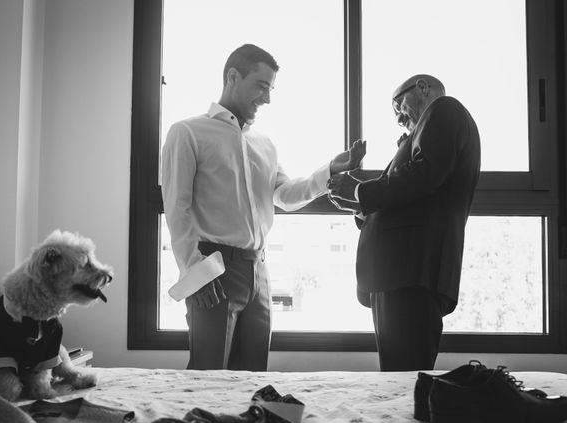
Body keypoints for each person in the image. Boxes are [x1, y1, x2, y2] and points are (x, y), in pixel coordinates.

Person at [161, 44, 364, 371]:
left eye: (270, 90)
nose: (267, 99)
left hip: (259, 270)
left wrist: (330, 170)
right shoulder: (187, 133)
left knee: (253, 375)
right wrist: (193, 272)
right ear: (232, 77)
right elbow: (176, 207)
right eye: (261, 86)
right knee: (208, 377)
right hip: (213, 265)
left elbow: (285, 194)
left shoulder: (264, 144)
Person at [328, 74, 481, 371]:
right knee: (397, 378)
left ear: (423, 88)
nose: (398, 117)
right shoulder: (422, 135)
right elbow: (410, 195)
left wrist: (360, 190)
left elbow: (425, 175)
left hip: (411, 274)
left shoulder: (445, 109)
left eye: (398, 104)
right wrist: (359, 205)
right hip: (401, 275)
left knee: (403, 379)